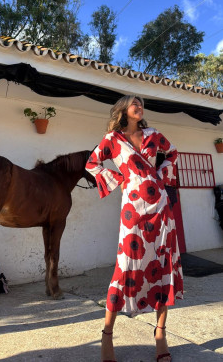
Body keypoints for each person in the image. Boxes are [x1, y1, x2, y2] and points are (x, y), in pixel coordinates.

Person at [85, 95, 183, 362]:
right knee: (126, 267)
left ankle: (160, 334)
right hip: (133, 211)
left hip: (161, 207)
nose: (139, 107)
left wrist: (159, 177)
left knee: (163, 266)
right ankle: (107, 334)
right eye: (134, 104)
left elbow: (173, 154)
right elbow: (91, 163)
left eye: (141, 104)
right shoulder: (112, 140)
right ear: (123, 111)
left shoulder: (153, 135)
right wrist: (120, 178)